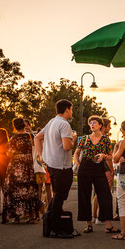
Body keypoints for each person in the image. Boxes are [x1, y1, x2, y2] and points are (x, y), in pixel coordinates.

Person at [35, 99, 76, 237]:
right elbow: (67, 146)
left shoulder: (51, 122)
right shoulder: (64, 125)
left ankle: (50, 221)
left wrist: (42, 156)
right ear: (67, 109)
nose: (72, 112)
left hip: (51, 164)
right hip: (62, 166)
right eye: (71, 109)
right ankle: (55, 228)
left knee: (57, 194)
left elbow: (37, 138)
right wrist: (74, 139)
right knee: (59, 196)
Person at [74, 116, 118, 234]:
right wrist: (78, 165)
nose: (92, 125)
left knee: (105, 195)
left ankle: (108, 225)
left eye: (94, 123)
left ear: (100, 125)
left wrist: (104, 156)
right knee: (84, 195)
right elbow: (76, 153)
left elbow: (111, 156)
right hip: (85, 167)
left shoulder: (105, 139)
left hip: (99, 168)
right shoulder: (83, 139)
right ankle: (89, 224)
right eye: (90, 123)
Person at [2, 118, 41, 224]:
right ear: (24, 125)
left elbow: (8, 153)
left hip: (16, 167)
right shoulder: (31, 136)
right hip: (29, 166)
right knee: (30, 190)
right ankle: (31, 216)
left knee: (15, 191)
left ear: (14, 127)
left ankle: (17, 217)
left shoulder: (14, 138)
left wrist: (17, 153)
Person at [92, 117, 115, 224]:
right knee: (104, 194)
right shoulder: (105, 140)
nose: (110, 128)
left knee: (97, 193)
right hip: (104, 170)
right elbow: (109, 158)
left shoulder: (94, 139)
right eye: (109, 126)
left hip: (95, 169)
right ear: (103, 126)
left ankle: (94, 216)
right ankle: (100, 217)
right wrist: (112, 170)